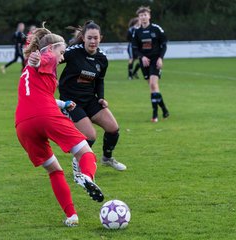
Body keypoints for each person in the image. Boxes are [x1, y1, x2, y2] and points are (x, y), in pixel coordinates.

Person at [16, 24, 104, 227]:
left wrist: (63, 104)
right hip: (45, 115)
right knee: (85, 152)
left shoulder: (26, 72)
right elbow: (41, 59)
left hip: (23, 125)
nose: (63, 57)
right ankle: (87, 177)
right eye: (61, 52)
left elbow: (37, 94)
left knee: (54, 170)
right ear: (50, 49)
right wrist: (36, 58)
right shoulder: (46, 57)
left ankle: (71, 216)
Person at [58, 21, 127, 175]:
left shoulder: (102, 58)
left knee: (113, 128)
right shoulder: (73, 51)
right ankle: (78, 163)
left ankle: (107, 158)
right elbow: (54, 61)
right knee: (90, 136)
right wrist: (50, 77)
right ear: (83, 38)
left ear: (100, 38)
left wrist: (101, 98)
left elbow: (100, 80)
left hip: (90, 99)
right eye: (89, 38)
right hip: (71, 102)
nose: (93, 41)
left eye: (96, 38)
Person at [132, 6, 169, 122]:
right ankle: (164, 109)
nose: (143, 17)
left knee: (153, 84)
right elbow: (135, 48)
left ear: (149, 16)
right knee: (153, 87)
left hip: (155, 61)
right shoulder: (137, 32)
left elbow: (164, 45)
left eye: (145, 15)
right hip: (145, 62)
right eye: (141, 15)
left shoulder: (156, 29)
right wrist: (142, 57)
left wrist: (160, 58)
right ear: (139, 17)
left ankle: (155, 115)